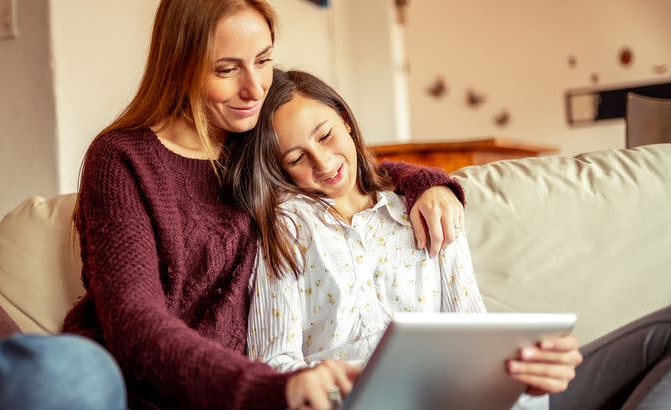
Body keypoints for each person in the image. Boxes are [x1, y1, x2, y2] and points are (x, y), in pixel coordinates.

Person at [58, 1, 466, 409]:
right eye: (227, 69)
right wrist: (270, 388)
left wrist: (430, 184)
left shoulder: (252, 142)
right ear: (179, 66)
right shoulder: (123, 159)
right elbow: (134, 324)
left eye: (263, 60)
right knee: (39, 369)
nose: (255, 89)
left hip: (242, 393)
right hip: (134, 384)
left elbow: (346, 171)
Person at [224, 68, 671, 410]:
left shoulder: (425, 206)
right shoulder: (287, 228)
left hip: (475, 398)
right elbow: (273, 364)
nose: (323, 163)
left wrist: (523, 368)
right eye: (297, 157)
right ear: (278, 170)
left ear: (345, 118)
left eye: (326, 135)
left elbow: (471, 325)